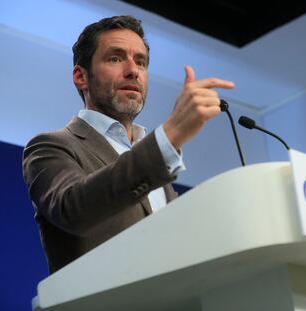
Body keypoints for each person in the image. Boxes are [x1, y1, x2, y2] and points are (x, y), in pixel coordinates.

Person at [22, 15, 234, 274]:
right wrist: (170, 136)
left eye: (141, 62)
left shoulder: (151, 160)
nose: (133, 70)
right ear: (81, 76)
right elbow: (73, 209)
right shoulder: (50, 146)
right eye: (115, 58)